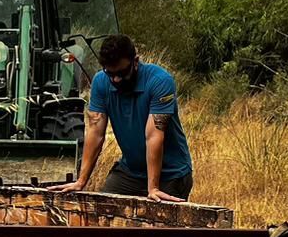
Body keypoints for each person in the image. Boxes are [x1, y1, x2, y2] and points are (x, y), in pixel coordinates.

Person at [48, 34, 192, 201]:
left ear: (135, 62)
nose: (116, 79)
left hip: (170, 174)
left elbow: (153, 136)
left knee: (154, 224)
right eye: (110, 73)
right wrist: (81, 181)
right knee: (104, 212)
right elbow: (95, 132)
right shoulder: (101, 82)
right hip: (131, 172)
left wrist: (153, 188)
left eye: (122, 73)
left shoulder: (160, 81)